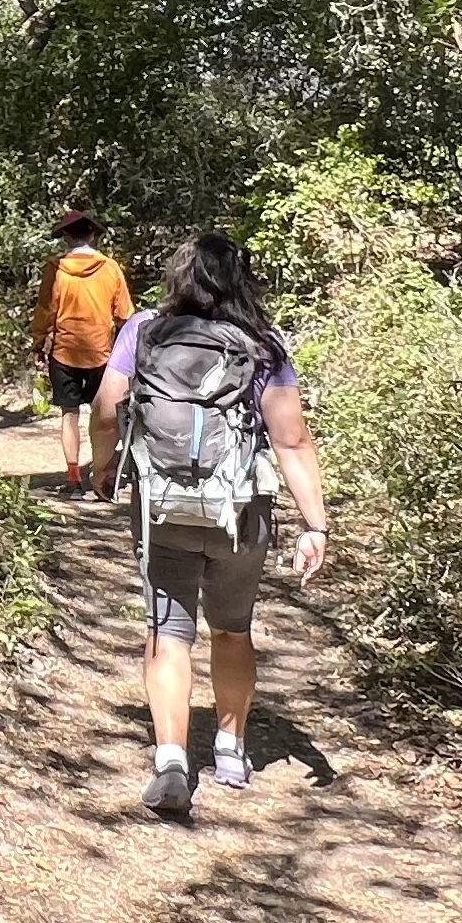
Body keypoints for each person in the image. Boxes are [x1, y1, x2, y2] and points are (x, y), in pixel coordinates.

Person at [96, 231, 328, 813]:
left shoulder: (144, 330)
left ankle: (172, 760)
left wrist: (104, 468)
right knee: (232, 629)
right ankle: (229, 748)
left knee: (167, 632)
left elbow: (105, 408)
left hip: (162, 508)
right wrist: (315, 525)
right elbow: (292, 441)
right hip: (239, 514)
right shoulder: (263, 344)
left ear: (179, 276)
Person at [29, 210, 133, 497]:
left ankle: (74, 479)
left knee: (69, 415)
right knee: (107, 415)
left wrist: (38, 342)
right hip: (103, 352)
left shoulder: (56, 269)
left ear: (66, 237)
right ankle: (104, 476)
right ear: (93, 236)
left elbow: (46, 310)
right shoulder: (110, 268)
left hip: (65, 352)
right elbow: (125, 314)